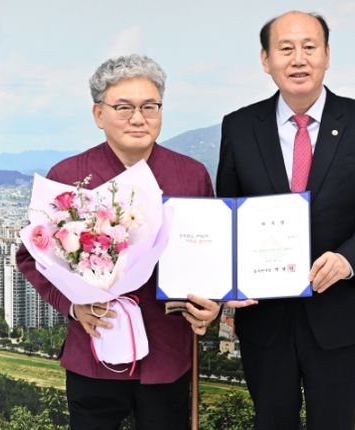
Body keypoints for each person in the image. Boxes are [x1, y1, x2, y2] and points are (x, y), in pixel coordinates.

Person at [217, 11, 355, 429]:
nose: (298, 58)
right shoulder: (239, 127)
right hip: (264, 316)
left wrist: (348, 260)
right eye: (285, 48)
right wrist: (225, 283)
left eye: (309, 47)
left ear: (327, 55)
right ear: (266, 60)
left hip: (338, 314)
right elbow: (225, 215)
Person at [16, 54, 220, 430]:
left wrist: (213, 305)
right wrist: (73, 306)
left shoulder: (191, 175)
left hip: (168, 352)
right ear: (99, 114)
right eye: (123, 107)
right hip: (94, 349)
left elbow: (211, 252)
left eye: (150, 106)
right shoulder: (69, 176)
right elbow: (31, 256)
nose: (138, 118)